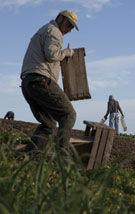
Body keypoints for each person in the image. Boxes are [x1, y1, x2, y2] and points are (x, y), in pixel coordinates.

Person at [20, 10, 79, 152]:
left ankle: (29, 157)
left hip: (28, 83)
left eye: (72, 27)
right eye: (68, 24)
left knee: (49, 125)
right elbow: (52, 54)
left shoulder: (44, 30)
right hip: (41, 80)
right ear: (59, 18)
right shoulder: (54, 31)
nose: (69, 30)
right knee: (69, 114)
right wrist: (66, 52)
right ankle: (62, 156)